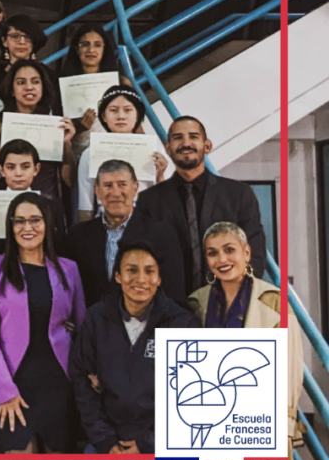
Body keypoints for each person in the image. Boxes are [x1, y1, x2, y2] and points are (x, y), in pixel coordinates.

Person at [0, 192, 86, 460]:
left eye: (34, 219)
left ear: (47, 224)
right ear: (10, 225)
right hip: (14, 388)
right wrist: (5, 393)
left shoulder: (68, 270)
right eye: (19, 220)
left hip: (58, 384)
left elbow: (81, 327)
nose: (27, 227)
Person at [67, 241, 197, 460]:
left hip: (154, 441)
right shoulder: (96, 318)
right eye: (131, 270)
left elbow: (192, 400)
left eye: (149, 271)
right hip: (108, 436)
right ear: (118, 276)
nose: (140, 279)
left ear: (159, 278)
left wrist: (150, 443)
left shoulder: (182, 323)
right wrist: (105, 440)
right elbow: (81, 381)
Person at [189, 222, 304, 460]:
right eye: (213, 253)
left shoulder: (274, 300)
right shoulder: (197, 303)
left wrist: (280, 431)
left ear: (247, 252)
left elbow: (290, 370)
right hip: (212, 421)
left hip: (261, 420)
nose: (222, 260)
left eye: (230, 250)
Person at [132, 116, 266, 293]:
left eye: (193, 137)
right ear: (168, 149)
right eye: (178, 138)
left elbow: (254, 252)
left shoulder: (238, 194)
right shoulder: (149, 201)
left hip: (226, 304)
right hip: (170, 309)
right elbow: (140, 257)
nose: (186, 143)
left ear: (207, 146)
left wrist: (238, 299)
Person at [67, 159, 186, 309]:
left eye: (122, 184)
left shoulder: (162, 234)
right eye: (108, 185)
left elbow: (174, 295)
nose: (116, 193)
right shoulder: (77, 236)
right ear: (97, 190)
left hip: (148, 326)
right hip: (95, 328)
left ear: (135, 188)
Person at [0, 59, 75, 204]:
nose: (29, 87)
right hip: (6, 206)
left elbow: (69, 180)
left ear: (43, 87)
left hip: (46, 205)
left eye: (35, 82)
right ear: (11, 90)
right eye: (21, 82)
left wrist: (66, 144)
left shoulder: (56, 126)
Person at [74, 86, 167, 222]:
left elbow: (166, 200)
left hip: (148, 222)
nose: (121, 116)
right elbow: (85, 207)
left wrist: (160, 175)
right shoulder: (90, 153)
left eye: (128, 110)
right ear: (104, 117)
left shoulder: (155, 150)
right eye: (113, 110)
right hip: (106, 225)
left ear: (138, 116)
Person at [0, 139, 68, 247]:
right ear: (1, 170)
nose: (18, 173)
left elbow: (58, 246)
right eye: (11, 167)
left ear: (36, 169)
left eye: (25, 167)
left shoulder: (52, 207)